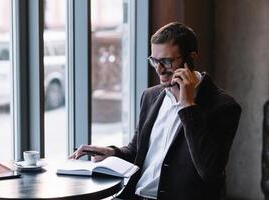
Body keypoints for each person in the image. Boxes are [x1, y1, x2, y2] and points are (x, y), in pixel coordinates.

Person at [69, 22, 242, 200]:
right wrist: (112, 153)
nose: (159, 70)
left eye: (166, 61)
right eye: (154, 61)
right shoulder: (151, 96)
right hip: (134, 195)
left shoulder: (223, 106)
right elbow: (137, 150)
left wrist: (188, 106)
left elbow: (210, 171)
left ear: (191, 58)